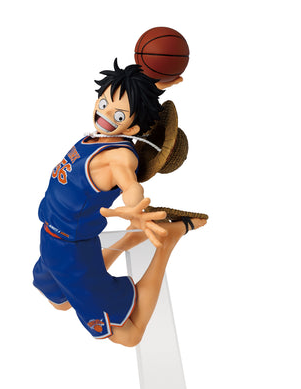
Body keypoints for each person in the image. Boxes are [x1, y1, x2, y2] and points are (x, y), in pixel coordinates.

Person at [32, 60, 206, 347]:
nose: (105, 114)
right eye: (104, 102)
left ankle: (168, 240)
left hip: (71, 251)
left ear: (133, 126)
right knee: (60, 303)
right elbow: (126, 93)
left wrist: (135, 207)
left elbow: (131, 187)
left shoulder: (120, 157)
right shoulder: (98, 137)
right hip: (51, 239)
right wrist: (158, 81)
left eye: (119, 114)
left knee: (130, 335)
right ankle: (128, 240)